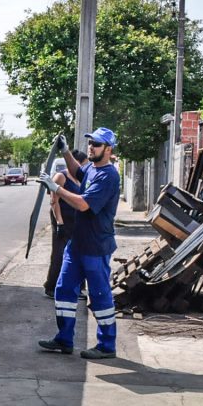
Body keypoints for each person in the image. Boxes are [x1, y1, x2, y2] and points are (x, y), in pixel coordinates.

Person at [36, 128, 121, 359]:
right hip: (77, 245)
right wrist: (65, 151)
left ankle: (106, 345)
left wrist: (56, 189)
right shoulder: (93, 169)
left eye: (96, 144)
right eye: (90, 143)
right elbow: (77, 171)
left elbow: (84, 204)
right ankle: (64, 339)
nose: (91, 147)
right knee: (63, 289)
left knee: (100, 294)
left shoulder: (108, 176)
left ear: (108, 149)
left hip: (96, 246)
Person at [43, 149, 87, 298]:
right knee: (59, 254)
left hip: (76, 221)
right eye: (83, 164)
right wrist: (59, 223)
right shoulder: (60, 176)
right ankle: (51, 286)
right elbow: (54, 201)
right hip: (62, 219)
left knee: (79, 254)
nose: (84, 167)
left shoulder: (79, 178)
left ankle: (78, 288)